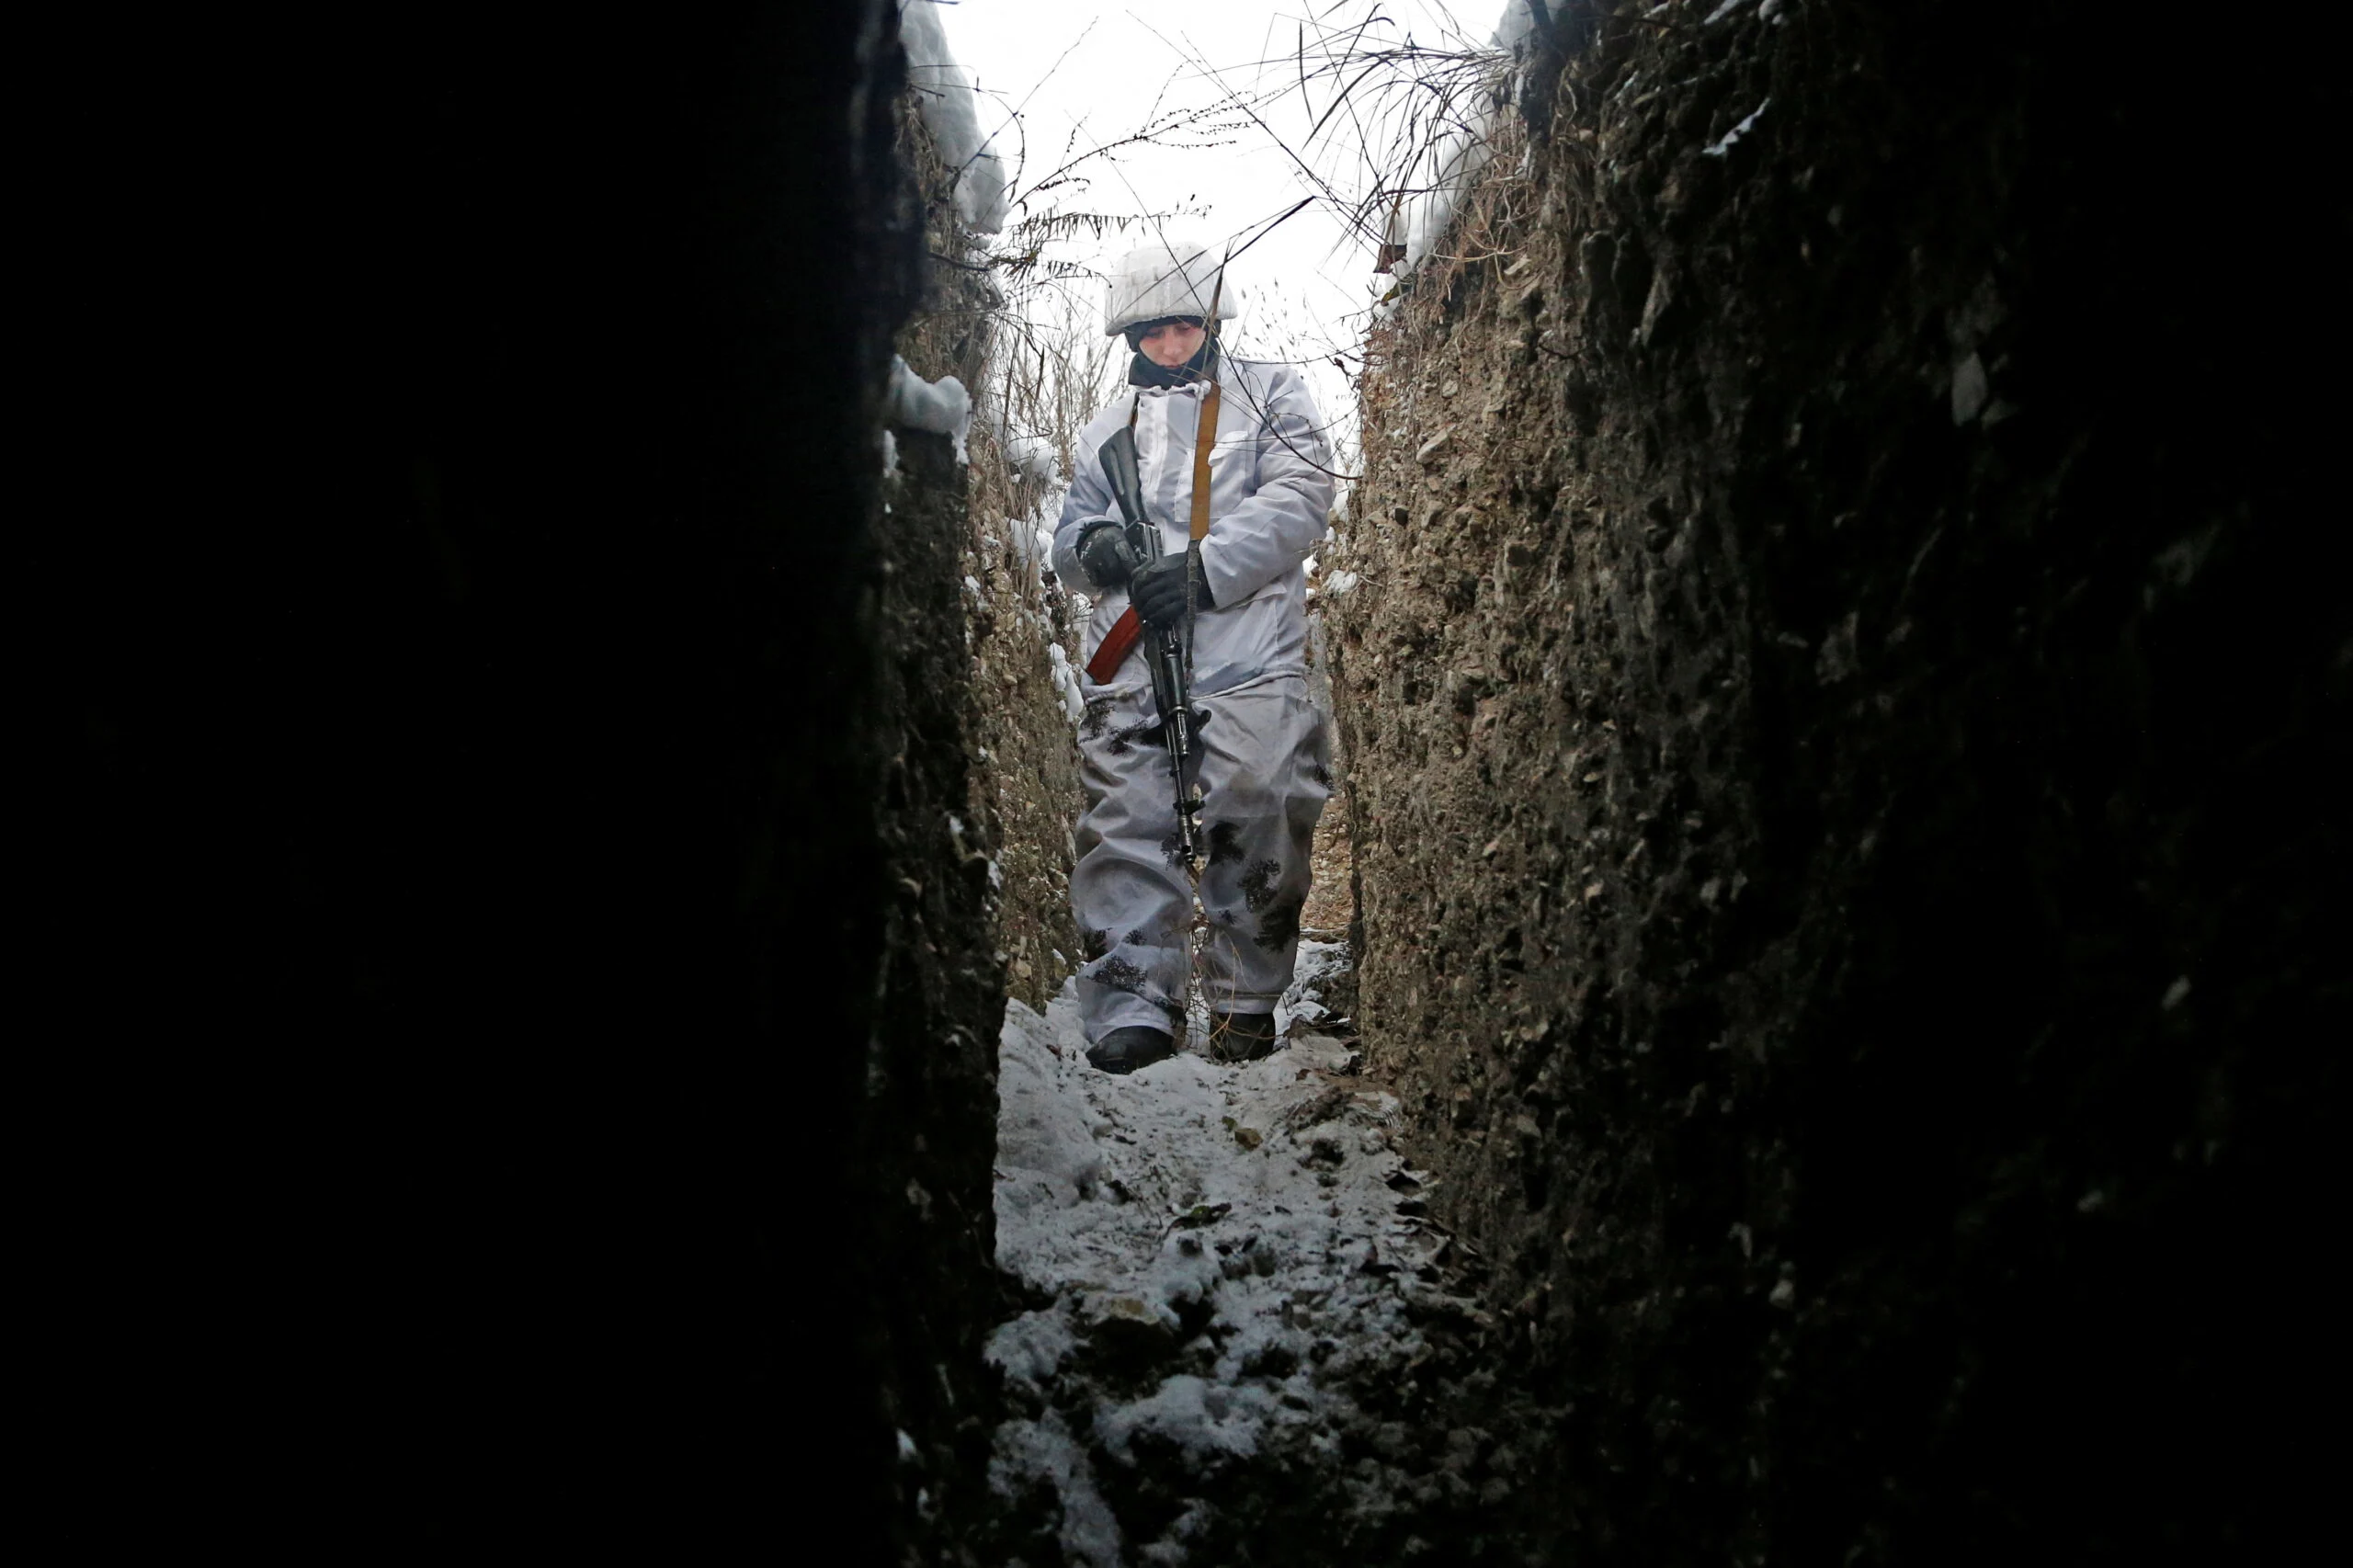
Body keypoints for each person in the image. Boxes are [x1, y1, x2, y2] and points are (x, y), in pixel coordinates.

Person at [1051, 238, 1336, 1074]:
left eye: (1183, 327)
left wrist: (1204, 571)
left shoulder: (1270, 389)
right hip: (1134, 659)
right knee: (1126, 825)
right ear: (1129, 337)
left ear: (1210, 321)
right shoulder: (1107, 428)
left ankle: (1246, 1003)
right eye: (1152, 333)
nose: (1170, 346)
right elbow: (1070, 539)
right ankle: (1134, 1005)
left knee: (1261, 804)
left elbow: (1303, 492)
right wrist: (1101, 551)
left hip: (1251, 648)